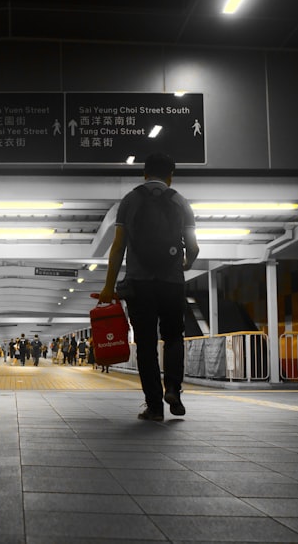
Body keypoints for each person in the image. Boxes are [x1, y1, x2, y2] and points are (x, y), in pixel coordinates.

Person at [99, 152, 199, 421]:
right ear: (171, 175)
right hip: (171, 283)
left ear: (144, 173)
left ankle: (154, 406)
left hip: (140, 283)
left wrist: (109, 287)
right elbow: (194, 247)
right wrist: (186, 263)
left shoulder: (131, 199)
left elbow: (118, 247)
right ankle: (174, 390)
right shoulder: (180, 201)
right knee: (174, 337)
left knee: (146, 343)